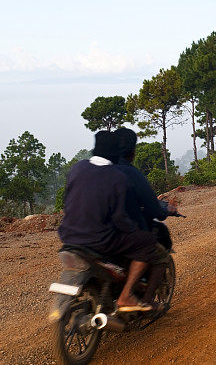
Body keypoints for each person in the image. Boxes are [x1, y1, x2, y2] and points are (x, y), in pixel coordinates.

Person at [57, 131, 166, 312]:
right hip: (100, 241)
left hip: (68, 236)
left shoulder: (78, 168)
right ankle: (126, 296)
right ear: (116, 153)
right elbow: (120, 219)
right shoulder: (117, 177)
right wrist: (134, 230)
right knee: (147, 243)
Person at [114, 127, 175, 305]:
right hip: (120, 235)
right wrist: (166, 210)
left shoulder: (98, 171)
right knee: (159, 254)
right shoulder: (131, 173)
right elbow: (154, 209)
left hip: (89, 234)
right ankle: (146, 302)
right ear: (132, 152)